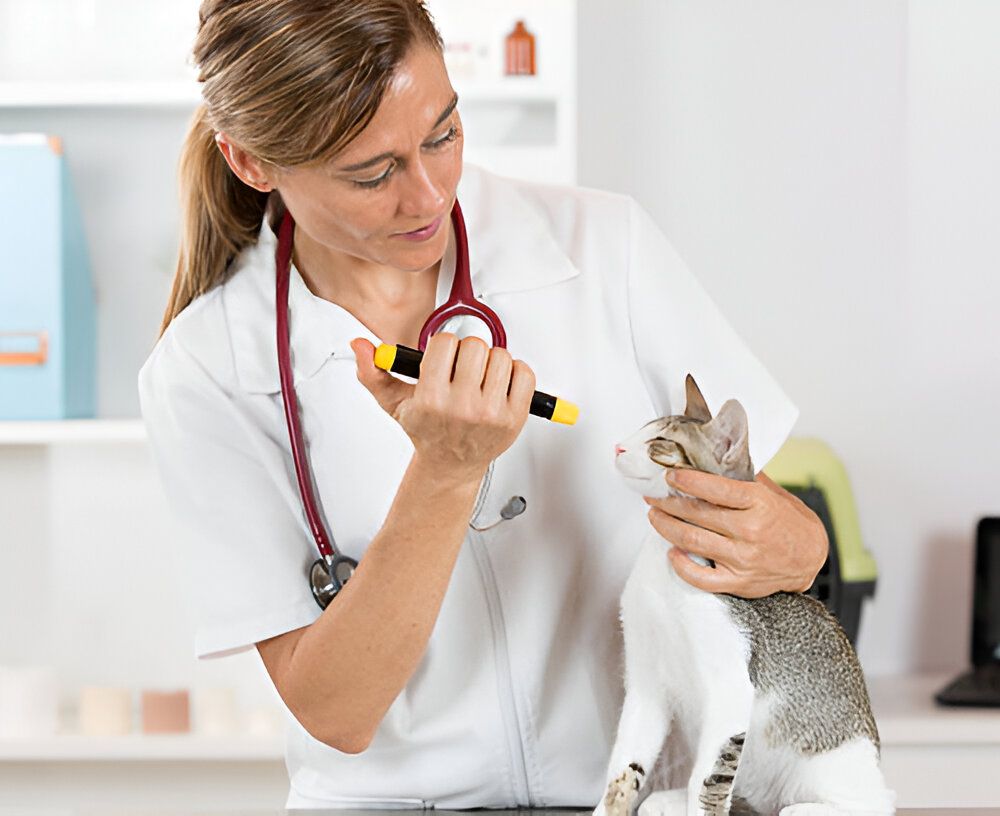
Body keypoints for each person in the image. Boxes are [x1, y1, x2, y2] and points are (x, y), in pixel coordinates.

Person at [137, 0, 829, 809]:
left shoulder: (600, 245)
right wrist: (445, 471)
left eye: (443, 134)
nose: (428, 193)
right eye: (373, 172)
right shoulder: (207, 367)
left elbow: (777, 527)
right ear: (253, 163)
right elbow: (335, 711)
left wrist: (796, 546)